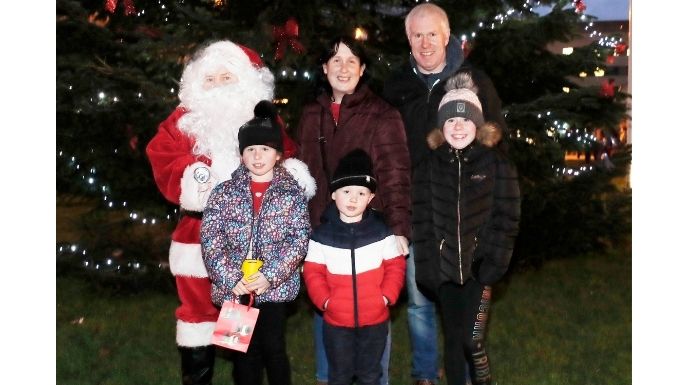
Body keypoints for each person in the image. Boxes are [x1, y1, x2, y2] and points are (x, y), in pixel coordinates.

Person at [146, 40, 315, 385]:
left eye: (228, 77)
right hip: (197, 239)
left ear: (245, 81)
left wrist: (291, 176)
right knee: (197, 319)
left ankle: (247, 375)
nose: (219, 86)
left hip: (254, 247)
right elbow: (161, 155)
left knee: (248, 327)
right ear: (196, 83)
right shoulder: (183, 121)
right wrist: (195, 175)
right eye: (210, 79)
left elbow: (287, 154)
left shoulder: (263, 120)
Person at [382, 4, 508, 384]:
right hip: (419, 210)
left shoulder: (473, 80)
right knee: (420, 300)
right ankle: (425, 373)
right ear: (409, 39)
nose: (425, 43)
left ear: (447, 35)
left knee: (465, 305)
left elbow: (496, 137)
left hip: (464, 212)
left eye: (432, 34)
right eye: (417, 35)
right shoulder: (396, 87)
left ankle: (466, 374)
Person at [295, 36, 411, 385]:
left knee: (373, 324)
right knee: (329, 314)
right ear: (324, 68)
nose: (343, 68)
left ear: (362, 69)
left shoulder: (382, 114)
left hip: (369, 233)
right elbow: (300, 173)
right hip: (324, 232)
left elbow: (395, 174)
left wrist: (399, 228)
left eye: (351, 61)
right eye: (335, 60)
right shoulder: (311, 114)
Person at [411, 74, 521, 385]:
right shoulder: (428, 167)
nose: (458, 126)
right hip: (445, 274)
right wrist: (428, 269)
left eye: (465, 119)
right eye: (450, 120)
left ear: (478, 124)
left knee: (472, 340)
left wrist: (494, 263)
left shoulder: (496, 165)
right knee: (454, 341)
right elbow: (421, 222)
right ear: (441, 128)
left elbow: (508, 217)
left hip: (480, 270)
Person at [200, 100, 311, 385]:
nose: (257, 156)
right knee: (243, 354)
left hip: (273, 288)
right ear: (242, 155)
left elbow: (298, 238)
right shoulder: (224, 193)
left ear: (277, 154)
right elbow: (211, 239)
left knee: (274, 349)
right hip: (236, 289)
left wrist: (270, 276)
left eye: (265, 149)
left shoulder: (291, 193)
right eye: (251, 149)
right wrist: (231, 278)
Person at [303, 149, 406, 385]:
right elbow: (313, 272)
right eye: (346, 191)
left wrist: (387, 296)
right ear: (333, 194)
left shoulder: (381, 233)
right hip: (337, 322)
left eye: (361, 193)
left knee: (371, 374)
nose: (353, 199)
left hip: (375, 321)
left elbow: (395, 266)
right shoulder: (321, 236)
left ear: (370, 198)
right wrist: (325, 301)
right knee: (339, 375)